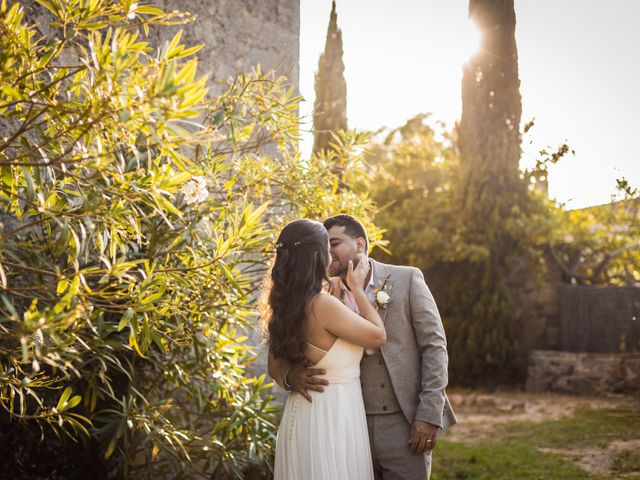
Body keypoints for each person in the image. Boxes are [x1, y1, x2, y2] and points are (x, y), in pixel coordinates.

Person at [285, 214, 457, 479]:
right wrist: (289, 375)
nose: (328, 252)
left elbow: (435, 347)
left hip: (404, 422)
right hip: (349, 424)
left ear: (361, 245)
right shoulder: (321, 295)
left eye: (335, 243)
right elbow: (288, 341)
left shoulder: (407, 279)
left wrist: (428, 415)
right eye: (324, 245)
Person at [263, 218, 387, 480]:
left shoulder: (284, 306)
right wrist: (357, 289)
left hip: (302, 413)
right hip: (332, 416)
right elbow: (377, 335)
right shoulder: (323, 305)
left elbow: (274, 367)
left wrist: (289, 377)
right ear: (317, 256)